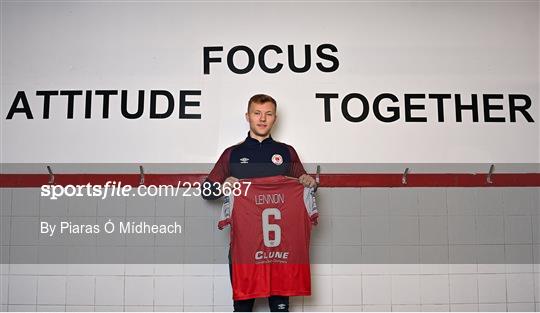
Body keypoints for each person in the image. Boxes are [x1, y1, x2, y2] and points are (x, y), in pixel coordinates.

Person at [202, 94, 316, 312]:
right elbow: (206, 191)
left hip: (282, 250)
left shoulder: (286, 152)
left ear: (275, 118)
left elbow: (304, 183)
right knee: (243, 308)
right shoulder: (232, 154)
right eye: (257, 113)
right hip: (245, 250)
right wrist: (223, 185)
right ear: (248, 116)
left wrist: (308, 181)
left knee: (280, 308)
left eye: (268, 114)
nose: (262, 119)